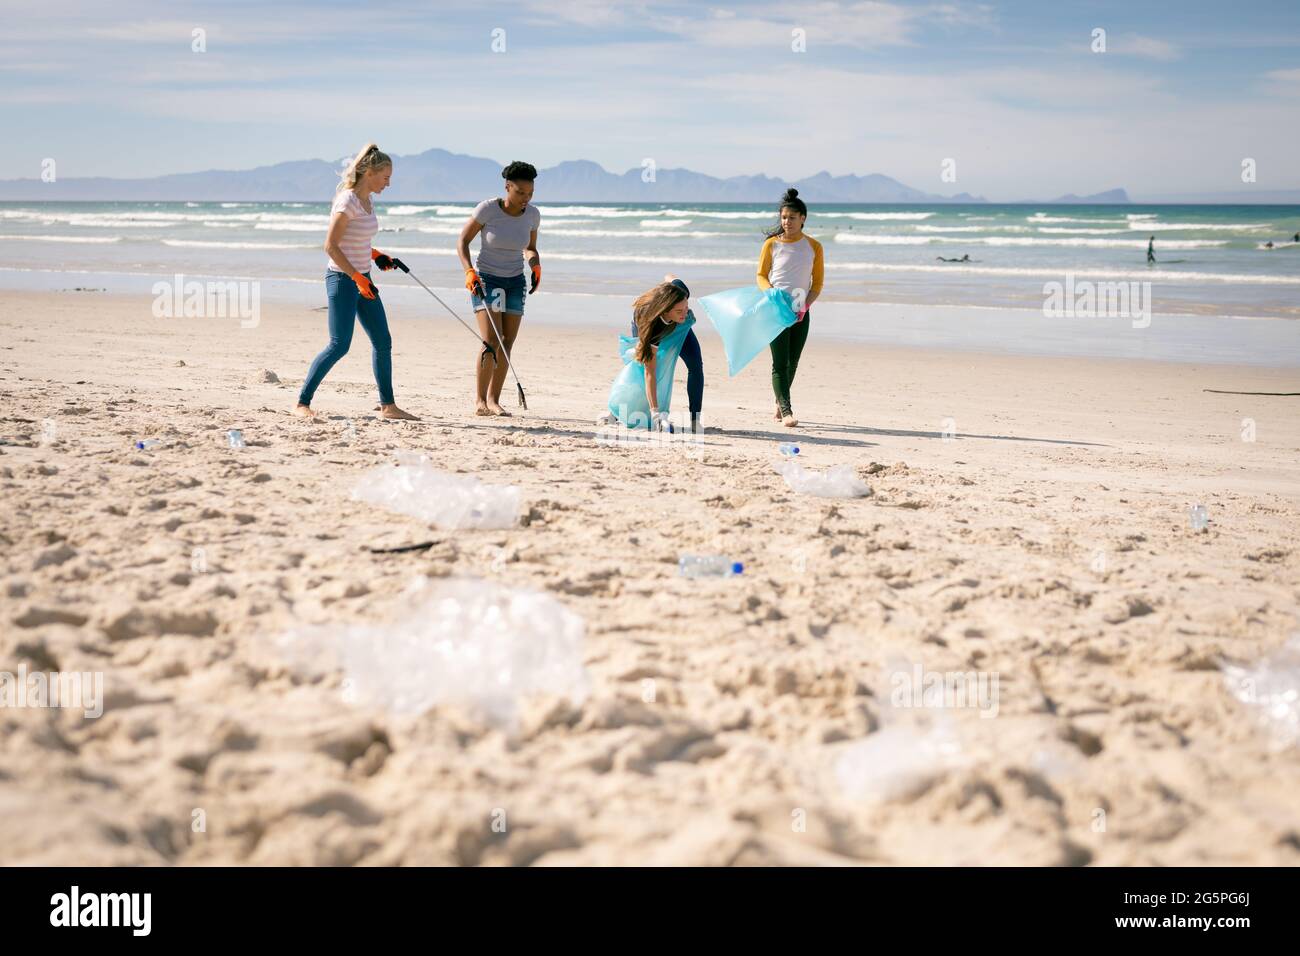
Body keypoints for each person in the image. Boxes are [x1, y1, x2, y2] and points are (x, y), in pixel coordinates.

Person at [294, 143, 418, 420]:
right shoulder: (347, 201)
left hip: (363, 278)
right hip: (342, 279)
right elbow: (331, 246)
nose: (389, 183)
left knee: (382, 341)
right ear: (370, 173)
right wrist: (356, 277)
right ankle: (302, 403)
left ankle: (388, 406)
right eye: (385, 177)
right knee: (339, 344)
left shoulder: (367, 200)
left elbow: (357, 240)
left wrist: (376, 255)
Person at [457, 161, 541, 416]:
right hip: (486, 279)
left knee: (507, 342)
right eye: (520, 193)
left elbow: (530, 248)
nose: (525, 198)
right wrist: (469, 271)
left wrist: (536, 266)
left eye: (530, 193)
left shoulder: (532, 215)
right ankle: (480, 400)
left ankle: (494, 400)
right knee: (491, 340)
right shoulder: (487, 210)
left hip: (516, 281)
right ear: (507, 187)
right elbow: (462, 241)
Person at [756, 188, 823, 428]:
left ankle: (779, 401)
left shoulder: (814, 247)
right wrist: (771, 294)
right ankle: (786, 411)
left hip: (801, 311)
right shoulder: (772, 244)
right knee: (779, 362)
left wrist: (805, 306)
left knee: (792, 362)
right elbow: (761, 275)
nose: (787, 222)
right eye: (784, 217)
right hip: (776, 311)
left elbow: (818, 283)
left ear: (803, 218)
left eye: (792, 218)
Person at [625, 277, 700, 431]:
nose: (685, 312)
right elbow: (650, 372)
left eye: (686, 307)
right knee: (643, 367)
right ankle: (636, 411)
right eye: (680, 310)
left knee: (696, 365)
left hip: (677, 324)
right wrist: (656, 415)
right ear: (665, 310)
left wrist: (668, 288)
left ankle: (695, 419)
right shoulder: (652, 328)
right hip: (647, 324)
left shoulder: (680, 292)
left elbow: (670, 276)